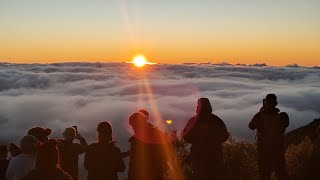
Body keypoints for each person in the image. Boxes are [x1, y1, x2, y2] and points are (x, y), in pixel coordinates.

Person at [182, 98, 229, 180]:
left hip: (198, 157)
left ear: (198, 107)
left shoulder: (193, 121)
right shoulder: (216, 120)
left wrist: (196, 141)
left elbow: (186, 137)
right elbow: (225, 136)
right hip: (215, 156)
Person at [249, 94, 289, 180]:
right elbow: (285, 125)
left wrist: (261, 112)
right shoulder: (282, 116)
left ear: (265, 102)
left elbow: (251, 126)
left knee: (264, 175)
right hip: (278, 151)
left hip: (264, 152)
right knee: (281, 174)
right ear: (276, 103)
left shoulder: (259, 116)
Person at [127, 111, 171, 180]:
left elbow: (133, 163)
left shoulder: (136, 141)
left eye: (134, 125)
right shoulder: (157, 134)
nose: (133, 128)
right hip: (157, 173)